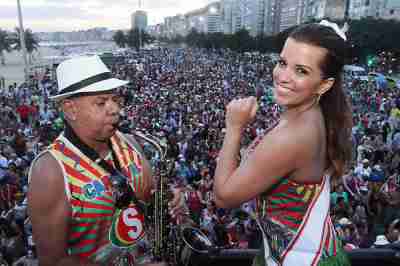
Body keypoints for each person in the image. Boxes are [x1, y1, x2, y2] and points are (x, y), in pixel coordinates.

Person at [213, 20, 352, 266]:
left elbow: (224, 197)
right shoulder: (311, 114)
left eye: (301, 71)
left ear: (324, 84)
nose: (283, 76)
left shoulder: (294, 135)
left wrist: (234, 127)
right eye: (282, 63)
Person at [28, 56, 183, 266]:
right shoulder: (50, 171)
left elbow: (150, 195)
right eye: (101, 102)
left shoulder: (130, 143)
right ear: (70, 109)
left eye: (115, 100)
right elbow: (53, 261)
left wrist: (171, 197)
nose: (115, 109)